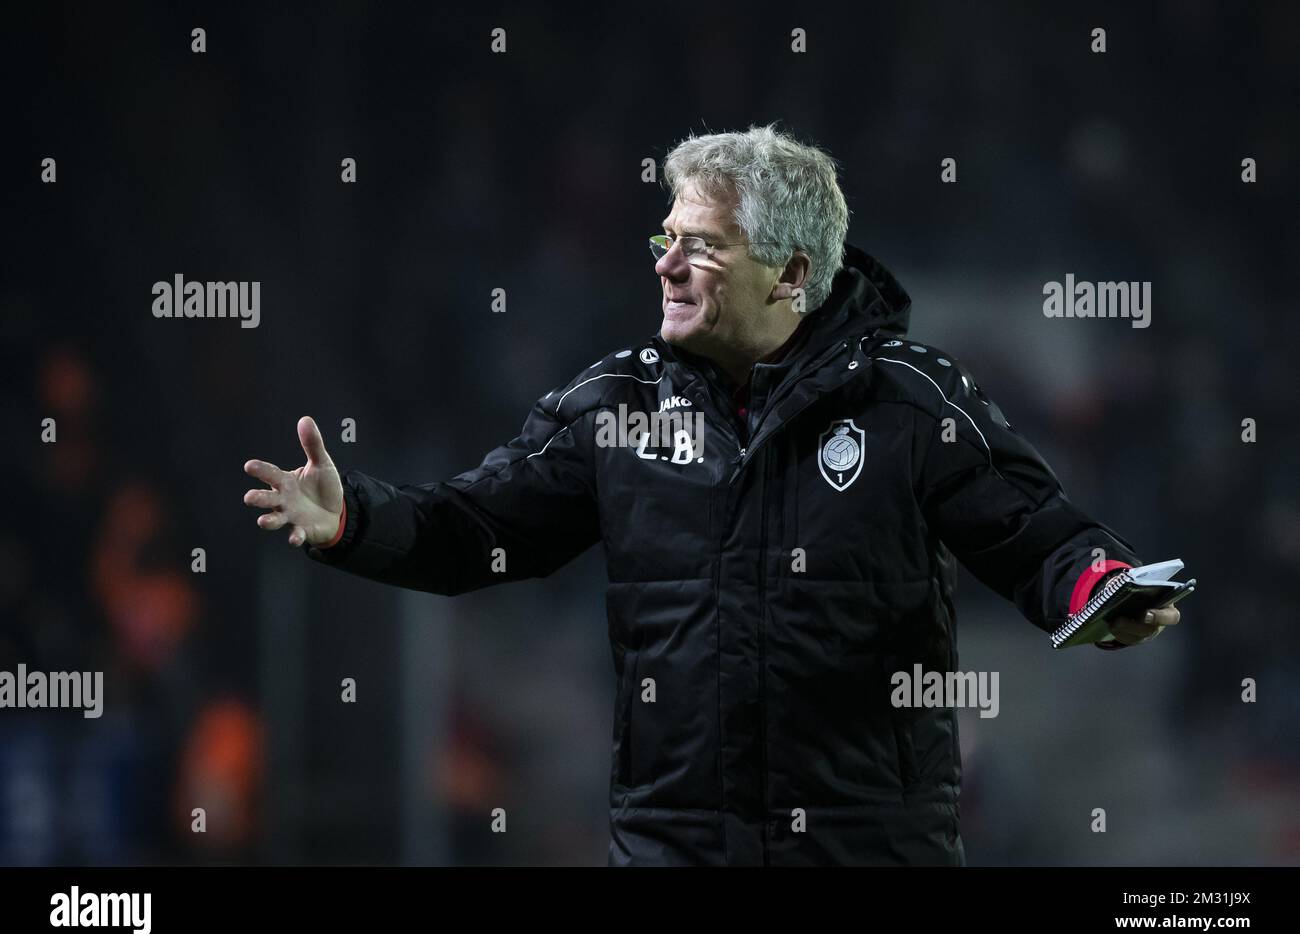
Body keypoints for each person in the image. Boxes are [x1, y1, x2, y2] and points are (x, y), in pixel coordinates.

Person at [242, 124, 1181, 865]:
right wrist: (354, 517)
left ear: (793, 273)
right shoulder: (617, 406)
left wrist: (1099, 589)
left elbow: (1035, 529)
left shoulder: (906, 399)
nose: (665, 263)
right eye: (667, 238)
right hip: (675, 852)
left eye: (701, 245)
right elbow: (477, 528)